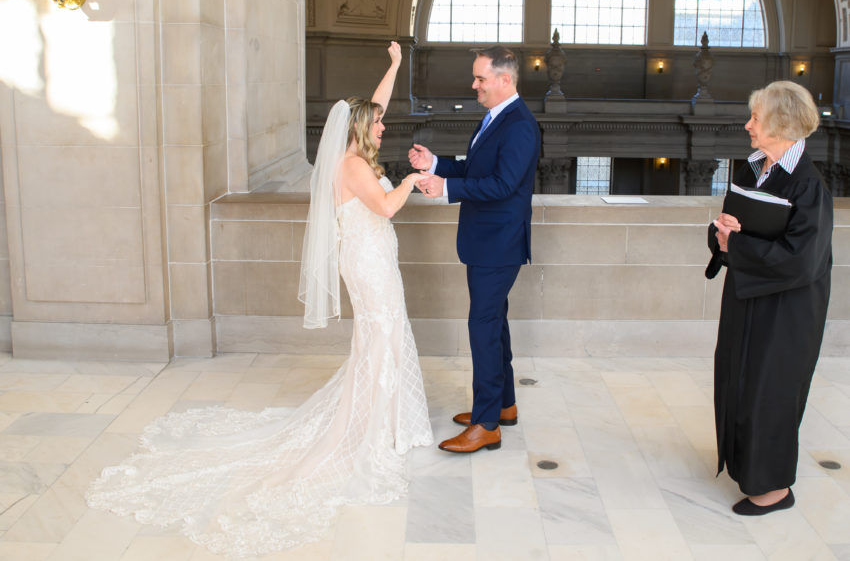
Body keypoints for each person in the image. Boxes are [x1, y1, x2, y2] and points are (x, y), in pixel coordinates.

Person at [86, 42, 433, 558]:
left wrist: (395, 67)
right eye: (377, 124)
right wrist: (409, 180)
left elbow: (375, 109)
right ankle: (377, 425)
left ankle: (387, 416)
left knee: (380, 337)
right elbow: (382, 208)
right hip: (368, 262)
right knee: (380, 335)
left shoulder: (355, 152)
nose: (384, 127)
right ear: (361, 129)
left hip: (374, 260)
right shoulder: (355, 167)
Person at [707, 80, 832, 516]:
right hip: (747, 299)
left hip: (787, 312)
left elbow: (802, 261)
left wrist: (735, 247)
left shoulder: (808, 186)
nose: (748, 126)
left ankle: (774, 488)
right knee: (737, 381)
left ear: (781, 124)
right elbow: (731, 222)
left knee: (769, 390)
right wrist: (721, 234)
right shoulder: (753, 168)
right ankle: (745, 466)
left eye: (756, 119)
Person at [408, 46, 540, 453]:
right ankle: (503, 406)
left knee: (482, 329)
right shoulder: (494, 117)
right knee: (493, 324)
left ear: (505, 80)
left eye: (481, 78)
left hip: (498, 244)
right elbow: (476, 169)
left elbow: (502, 186)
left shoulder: (519, 125)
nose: (474, 85)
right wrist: (436, 165)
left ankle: (486, 425)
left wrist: (445, 189)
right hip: (487, 241)